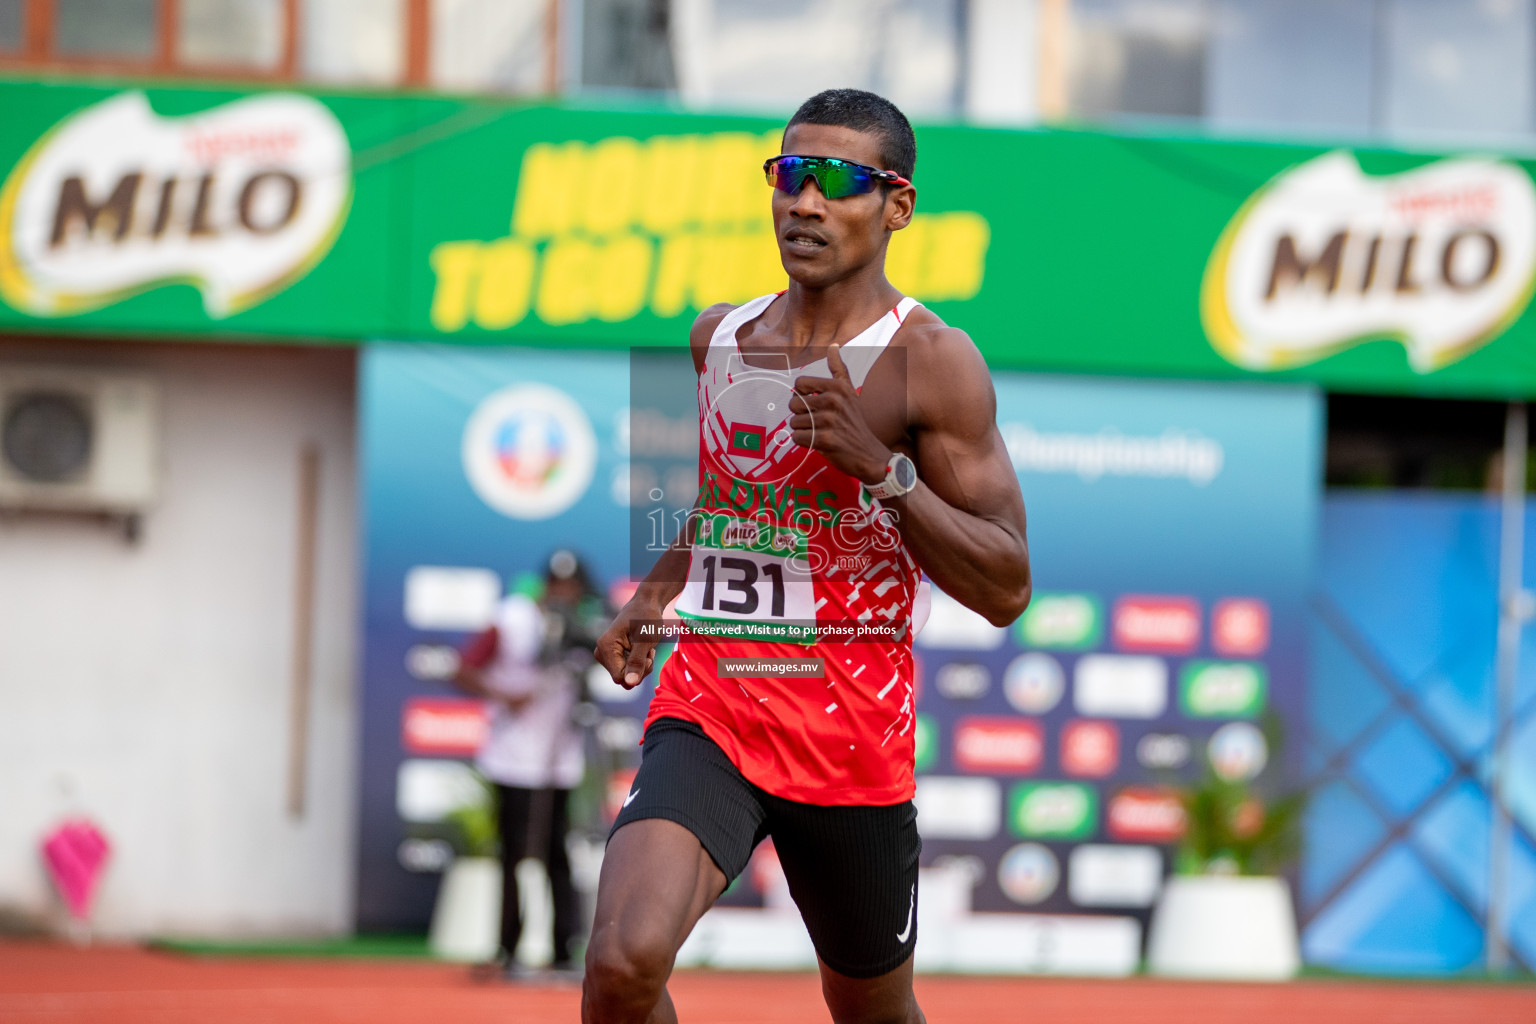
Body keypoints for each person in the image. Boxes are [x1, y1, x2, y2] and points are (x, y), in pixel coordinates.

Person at [585, 89, 1032, 1023]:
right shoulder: (720, 338)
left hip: (849, 732)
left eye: (836, 181)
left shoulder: (933, 361)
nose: (805, 202)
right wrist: (654, 597)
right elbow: (730, 502)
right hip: (718, 693)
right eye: (789, 175)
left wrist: (882, 471)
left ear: (896, 205)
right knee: (624, 966)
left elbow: (1005, 582)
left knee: (870, 1009)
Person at [454, 548, 608, 980]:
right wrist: (506, 697)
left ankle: (564, 949)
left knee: (558, 853)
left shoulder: (584, 624)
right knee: (515, 854)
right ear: (545, 585)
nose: (566, 595)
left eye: (573, 588)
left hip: (560, 757)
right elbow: (463, 667)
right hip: (514, 757)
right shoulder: (512, 617)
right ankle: (508, 949)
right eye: (558, 587)